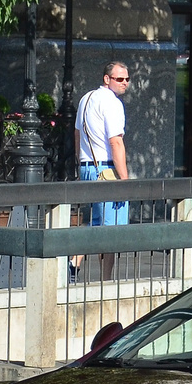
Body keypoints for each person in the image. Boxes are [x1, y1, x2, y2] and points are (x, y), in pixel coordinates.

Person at [75, 61, 130, 280]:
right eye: (119, 79)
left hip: (87, 167)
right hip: (106, 170)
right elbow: (116, 142)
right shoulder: (112, 103)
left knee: (95, 224)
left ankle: (74, 263)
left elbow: (77, 134)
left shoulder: (86, 99)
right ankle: (106, 280)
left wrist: (79, 161)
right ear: (107, 79)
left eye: (127, 79)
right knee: (112, 230)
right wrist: (125, 181)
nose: (124, 83)